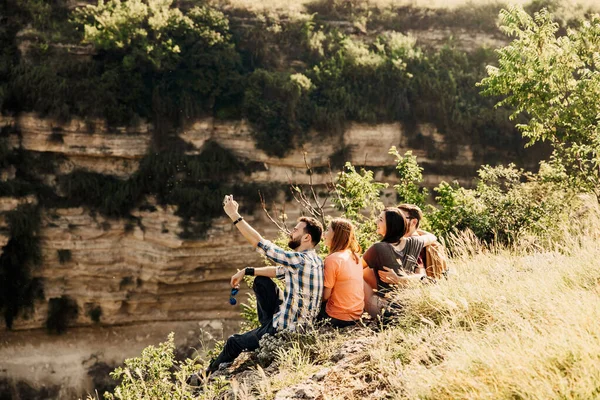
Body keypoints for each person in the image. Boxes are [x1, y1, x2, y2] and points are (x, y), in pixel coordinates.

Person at [190, 195, 324, 382]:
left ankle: (205, 376)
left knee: (234, 342)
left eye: (295, 230)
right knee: (261, 280)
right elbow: (278, 271)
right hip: (298, 324)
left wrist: (234, 215)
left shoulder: (298, 259)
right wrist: (247, 271)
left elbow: (260, 243)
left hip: (283, 330)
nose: (291, 233)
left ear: (307, 237)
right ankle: (263, 329)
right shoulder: (315, 261)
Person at [362, 207, 436, 318]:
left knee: (359, 277)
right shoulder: (414, 242)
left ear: (391, 225)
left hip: (387, 310)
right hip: (409, 304)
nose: (376, 222)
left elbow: (355, 266)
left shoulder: (378, 248)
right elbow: (432, 237)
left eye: (381, 220)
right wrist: (416, 231)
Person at [319, 218, 364, 328]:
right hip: (357, 314)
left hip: (337, 318)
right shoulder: (354, 256)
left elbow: (325, 296)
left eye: (328, 230)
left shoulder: (332, 259)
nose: (324, 234)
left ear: (336, 235)